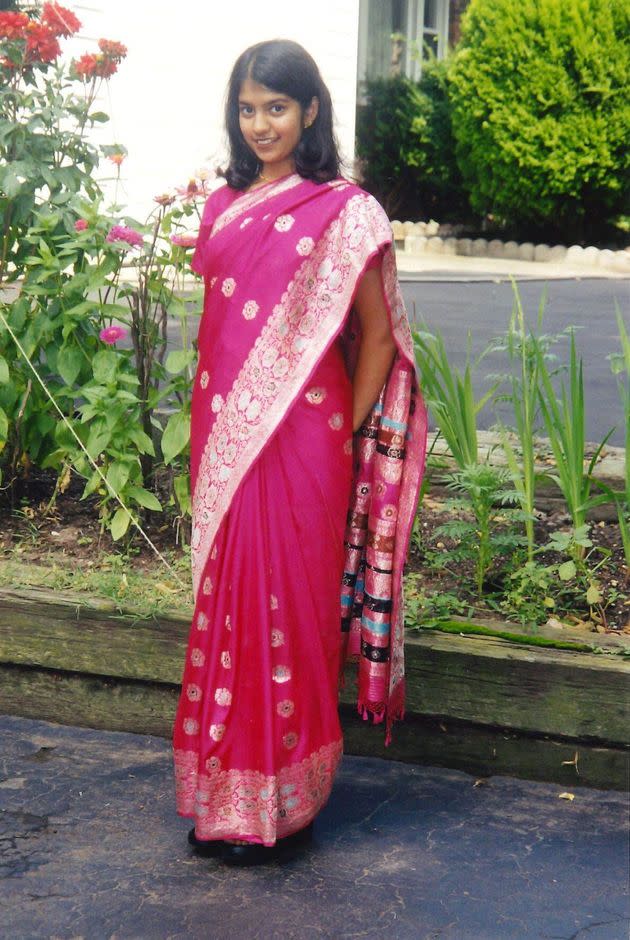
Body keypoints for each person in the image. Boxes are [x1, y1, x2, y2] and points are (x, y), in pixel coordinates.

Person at [172, 38, 427, 866]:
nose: (260, 126)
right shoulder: (222, 206)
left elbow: (381, 338)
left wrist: (340, 432)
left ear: (310, 110)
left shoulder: (346, 213)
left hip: (307, 445)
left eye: (276, 108)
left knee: (291, 619)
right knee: (229, 614)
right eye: (247, 110)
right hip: (226, 443)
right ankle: (223, 801)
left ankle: (289, 807)